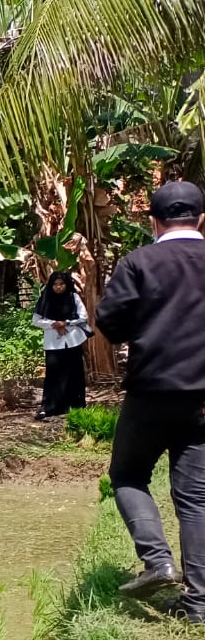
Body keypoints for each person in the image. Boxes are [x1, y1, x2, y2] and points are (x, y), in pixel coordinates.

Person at [93, 180, 205, 617]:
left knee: (128, 474)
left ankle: (157, 561)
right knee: (196, 498)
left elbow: (111, 322)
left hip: (152, 391)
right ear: (200, 219)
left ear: (153, 221)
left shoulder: (140, 261)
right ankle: (197, 605)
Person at [32, 270, 90, 421]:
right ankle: (49, 407)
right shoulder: (45, 299)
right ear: (51, 286)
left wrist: (66, 322)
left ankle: (76, 406)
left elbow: (83, 316)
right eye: (55, 284)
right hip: (53, 343)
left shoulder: (73, 297)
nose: (58, 287)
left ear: (66, 284)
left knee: (74, 373)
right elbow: (36, 320)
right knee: (53, 375)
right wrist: (53, 324)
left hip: (72, 340)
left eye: (62, 284)